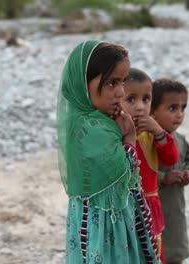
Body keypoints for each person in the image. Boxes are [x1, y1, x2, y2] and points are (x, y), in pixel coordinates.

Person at [57, 40, 160, 264]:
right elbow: (123, 170)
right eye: (111, 83)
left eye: (122, 82)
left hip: (111, 218)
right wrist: (130, 139)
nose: (120, 92)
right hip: (103, 224)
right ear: (83, 84)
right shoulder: (92, 128)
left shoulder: (97, 120)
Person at [121, 68, 180, 263]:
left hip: (148, 206)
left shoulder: (151, 135)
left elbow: (171, 158)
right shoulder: (113, 133)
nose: (140, 107)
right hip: (122, 207)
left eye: (146, 99)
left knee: (152, 252)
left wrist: (159, 132)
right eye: (131, 100)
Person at [151, 78, 189, 264]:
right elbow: (138, 174)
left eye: (183, 108)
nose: (179, 114)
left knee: (175, 248)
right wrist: (164, 177)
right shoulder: (146, 141)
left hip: (174, 206)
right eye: (172, 108)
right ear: (153, 111)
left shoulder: (180, 140)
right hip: (153, 208)